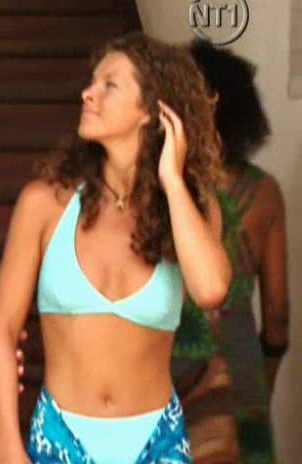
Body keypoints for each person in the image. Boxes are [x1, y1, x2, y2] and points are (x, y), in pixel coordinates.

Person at [0, 32, 232, 463]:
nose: (88, 93)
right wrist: (8, 448)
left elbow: (211, 289)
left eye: (110, 85)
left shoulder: (191, 208)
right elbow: (2, 332)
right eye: (91, 82)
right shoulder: (44, 203)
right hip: (60, 441)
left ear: (152, 110)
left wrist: (173, 180)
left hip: (158, 443)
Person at [171, 39, 290, 463]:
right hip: (241, 367)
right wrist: (263, 376)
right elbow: (277, 311)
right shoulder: (265, 193)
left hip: (170, 367)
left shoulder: (162, 191)